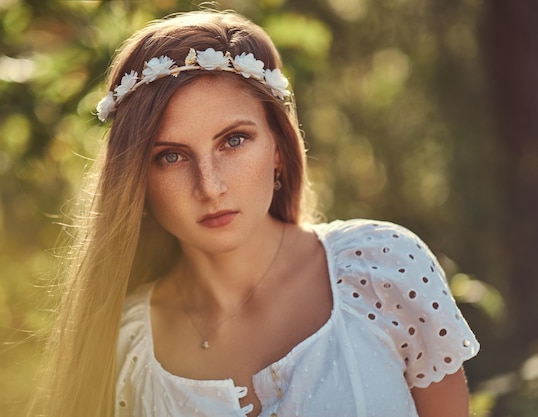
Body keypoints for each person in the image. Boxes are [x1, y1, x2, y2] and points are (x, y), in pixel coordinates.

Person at [28, 9, 479, 417]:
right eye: (171, 156)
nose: (211, 186)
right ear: (137, 181)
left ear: (279, 149)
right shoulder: (122, 347)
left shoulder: (382, 269)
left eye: (234, 140)